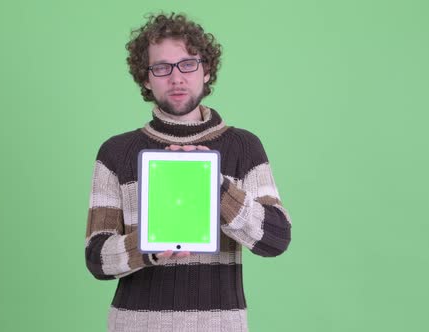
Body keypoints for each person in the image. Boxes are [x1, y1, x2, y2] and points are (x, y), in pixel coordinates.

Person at [85, 13, 292, 332]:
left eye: (188, 64)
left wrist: (216, 188)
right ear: (145, 78)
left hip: (219, 324)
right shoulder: (116, 153)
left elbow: (276, 238)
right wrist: (149, 246)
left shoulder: (244, 148)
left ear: (206, 71)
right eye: (162, 68)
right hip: (136, 324)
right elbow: (97, 257)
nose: (176, 78)